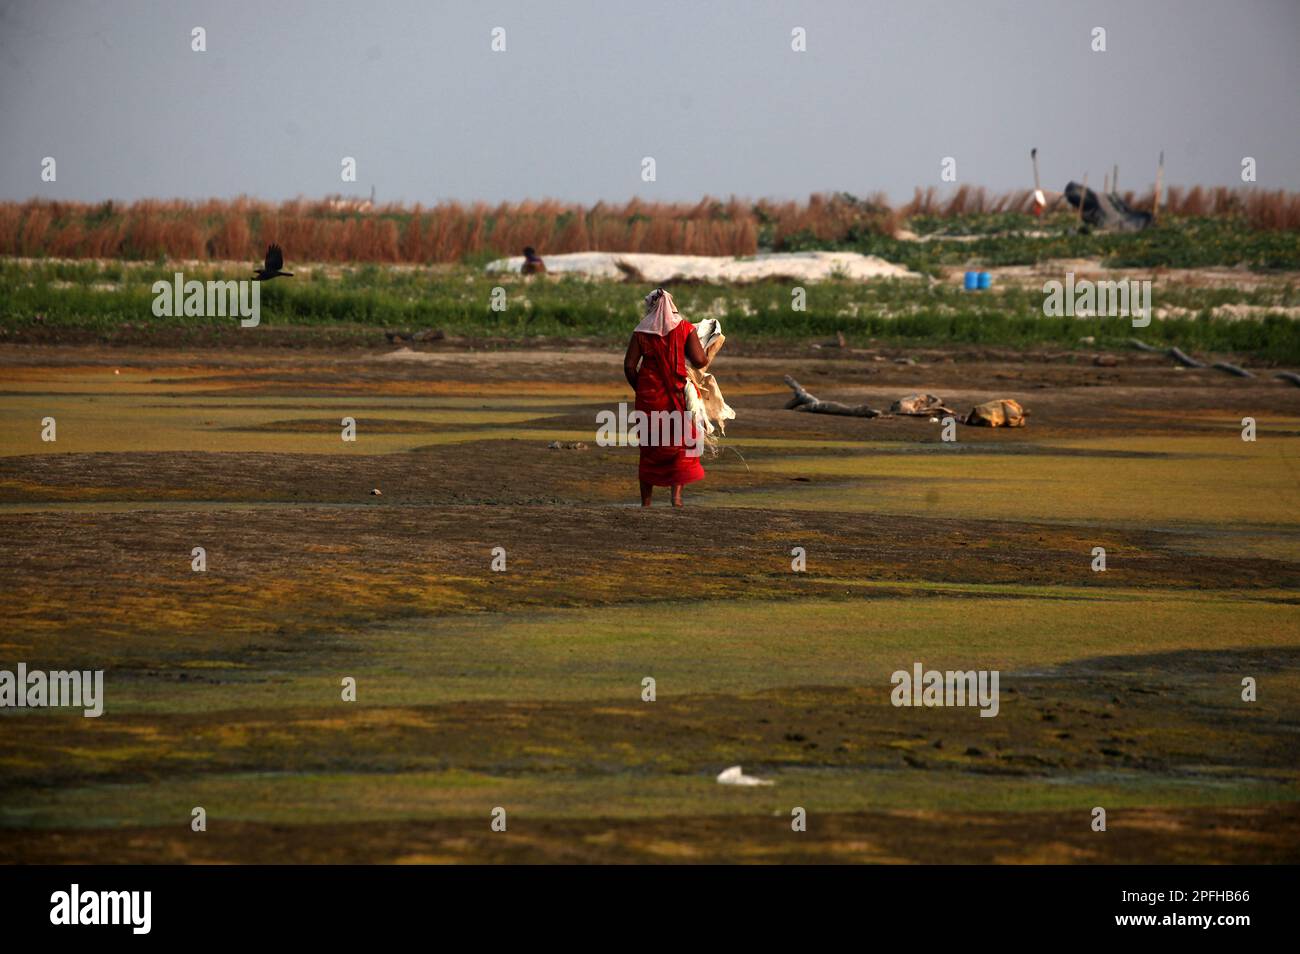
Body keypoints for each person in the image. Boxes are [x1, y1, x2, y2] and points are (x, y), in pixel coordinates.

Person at [623, 288, 710, 507]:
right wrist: (708, 348)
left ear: (650, 306)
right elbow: (700, 361)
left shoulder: (641, 332)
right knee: (681, 444)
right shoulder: (684, 328)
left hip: (649, 398)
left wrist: (641, 387)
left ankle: (646, 501)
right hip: (676, 394)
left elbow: (629, 366)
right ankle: (676, 497)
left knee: (650, 447)